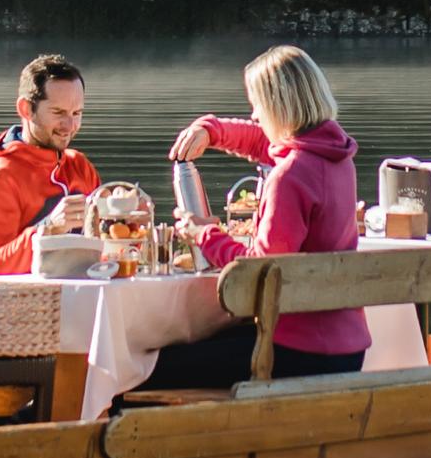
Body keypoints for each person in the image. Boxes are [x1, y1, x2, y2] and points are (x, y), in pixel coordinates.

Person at [135, 44, 367, 389]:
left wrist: (204, 235)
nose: (255, 115)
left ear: (278, 105)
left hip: (298, 350)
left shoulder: (290, 176)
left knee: (143, 370)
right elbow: (264, 144)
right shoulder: (336, 157)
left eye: (257, 104)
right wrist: (212, 131)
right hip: (346, 346)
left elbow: (258, 270)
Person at [0, 52, 102, 275]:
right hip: (33, 296)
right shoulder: (0, 176)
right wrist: (49, 229)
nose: (69, 125)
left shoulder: (79, 165)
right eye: (58, 112)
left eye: (77, 113)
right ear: (26, 109)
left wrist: (128, 225)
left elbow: (105, 248)